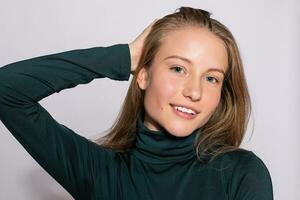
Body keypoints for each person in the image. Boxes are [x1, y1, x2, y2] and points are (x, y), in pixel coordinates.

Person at [0, 6, 273, 200]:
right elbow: (6, 89)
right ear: (143, 74)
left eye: (211, 78)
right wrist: (125, 57)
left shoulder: (241, 174)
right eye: (178, 69)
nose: (194, 91)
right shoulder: (99, 173)